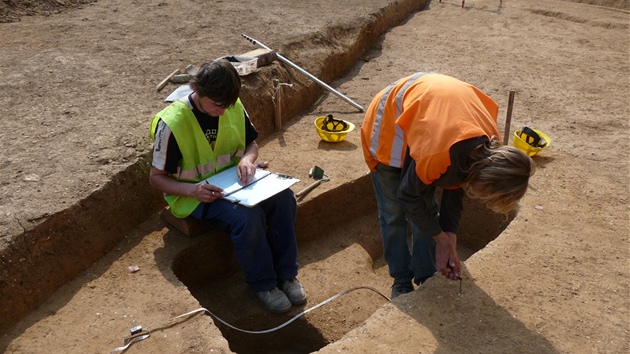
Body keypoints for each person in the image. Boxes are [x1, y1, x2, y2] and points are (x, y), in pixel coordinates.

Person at [149, 59, 306, 313]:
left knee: (284, 198)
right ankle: (263, 284)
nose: (222, 112)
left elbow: (251, 144)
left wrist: (247, 159)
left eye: (227, 105)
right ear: (197, 91)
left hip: (236, 183)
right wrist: (193, 190)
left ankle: (286, 275)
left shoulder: (231, 105)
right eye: (216, 105)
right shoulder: (172, 124)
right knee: (247, 217)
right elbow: (155, 179)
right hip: (196, 195)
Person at [360, 72, 535, 299]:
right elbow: (408, 194)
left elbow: (456, 188)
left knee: (429, 210)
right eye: (488, 196)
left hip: (430, 117)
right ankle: (401, 279)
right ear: (486, 177)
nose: (483, 200)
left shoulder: (485, 149)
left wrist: (449, 239)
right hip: (391, 123)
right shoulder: (439, 153)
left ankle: (425, 275)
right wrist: (440, 239)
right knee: (393, 212)